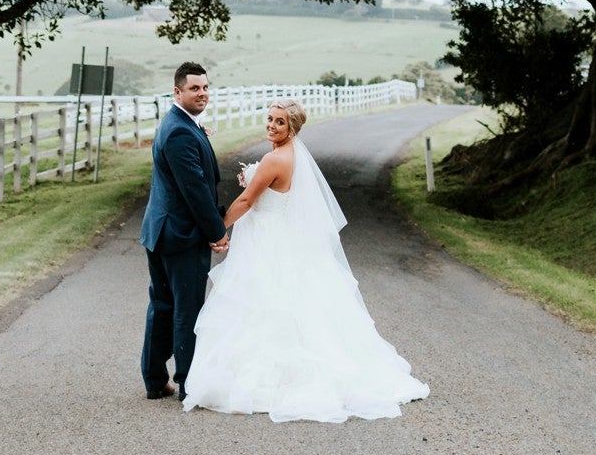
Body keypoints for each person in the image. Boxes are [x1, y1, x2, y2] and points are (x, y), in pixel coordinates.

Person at [182, 99, 430, 424]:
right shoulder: (293, 155)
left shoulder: (274, 159)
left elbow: (246, 199)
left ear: (292, 128)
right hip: (281, 235)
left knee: (265, 304)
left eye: (280, 122)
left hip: (267, 240)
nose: (271, 125)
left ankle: (272, 380)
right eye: (269, 118)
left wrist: (216, 231)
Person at [139, 61, 229, 400]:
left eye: (205, 87)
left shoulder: (179, 124)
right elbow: (195, 190)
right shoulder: (179, 131)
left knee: (162, 306)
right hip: (180, 235)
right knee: (185, 309)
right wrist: (217, 232)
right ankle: (189, 384)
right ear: (178, 91)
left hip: (161, 230)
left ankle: (154, 379)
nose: (202, 93)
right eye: (194, 88)